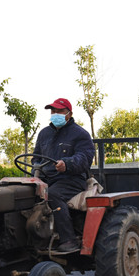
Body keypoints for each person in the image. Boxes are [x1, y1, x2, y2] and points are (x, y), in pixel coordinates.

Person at [33, 97, 95, 253]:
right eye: (53, 111)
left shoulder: (80, 134)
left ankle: (68, 239)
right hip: (47, 179)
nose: (55, 114)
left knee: (52, 194)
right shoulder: (44, 134)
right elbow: (36, 158)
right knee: (24, 195)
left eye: (59, 111)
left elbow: (84, 158)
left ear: (69, 113)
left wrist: (67, 164)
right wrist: (35, 170)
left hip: (71, 179)